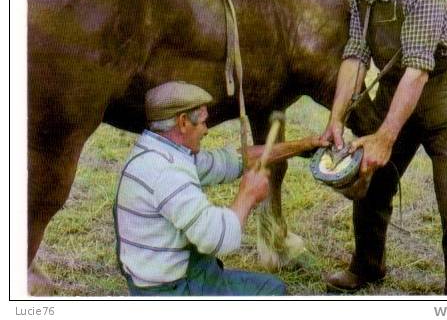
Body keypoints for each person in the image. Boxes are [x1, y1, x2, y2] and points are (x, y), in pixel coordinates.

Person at [321, 0, 447, 294]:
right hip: (395, 88)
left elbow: (418, 71)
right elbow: (355, 56)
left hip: (441, 88)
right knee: (372, 183)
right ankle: (367, 266)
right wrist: (336, 119)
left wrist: (384, 138)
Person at [114, 81, 325, 296]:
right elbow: (217, 239)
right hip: (172, 290)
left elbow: (230, 161)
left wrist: (302, 146)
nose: (206, 130)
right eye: (203, 123)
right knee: (271, 290)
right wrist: (248, 195)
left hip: (158, 280)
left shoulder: (155, 152)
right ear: (183, 122)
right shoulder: (167, 173)